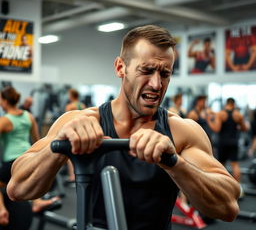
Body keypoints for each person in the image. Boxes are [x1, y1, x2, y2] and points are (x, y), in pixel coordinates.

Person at [7, 25, 239, 230]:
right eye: (146, 70)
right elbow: (18, 189)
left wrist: (174, 162)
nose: (157, 84)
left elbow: (228, 206)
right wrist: (58, 147)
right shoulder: (78, 120)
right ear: (121, 68)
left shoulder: (181, 131)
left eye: (165, 74)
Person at [0, 86, 59, 227]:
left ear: (5, 101)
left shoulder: (5, 120)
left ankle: (2, 210)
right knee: (25, 184)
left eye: (1, 101)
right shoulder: (29, 116)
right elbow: (38, 140)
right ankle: (37, 201)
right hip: (28, 158)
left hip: (12, 161)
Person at [209, 98, 248, 191]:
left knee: (221, 166)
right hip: (233, 142)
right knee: (235, 165)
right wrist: (238, 126)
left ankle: (221, 187)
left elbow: (216, 129)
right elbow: (245, 129)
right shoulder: (238, 115)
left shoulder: (221, 114)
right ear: (233, 104)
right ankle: (238, 188)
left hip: (223, 143)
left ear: (226, 104)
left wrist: (209, 121)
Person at [65, 88, 86, 183]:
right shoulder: (82, 105)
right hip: (81, 130)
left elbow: (65, 120)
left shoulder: (70, 106)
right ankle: (80, 174)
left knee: (70, 155)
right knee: (79, 152)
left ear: (71, 96)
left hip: (72, 130)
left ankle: (72, 176)